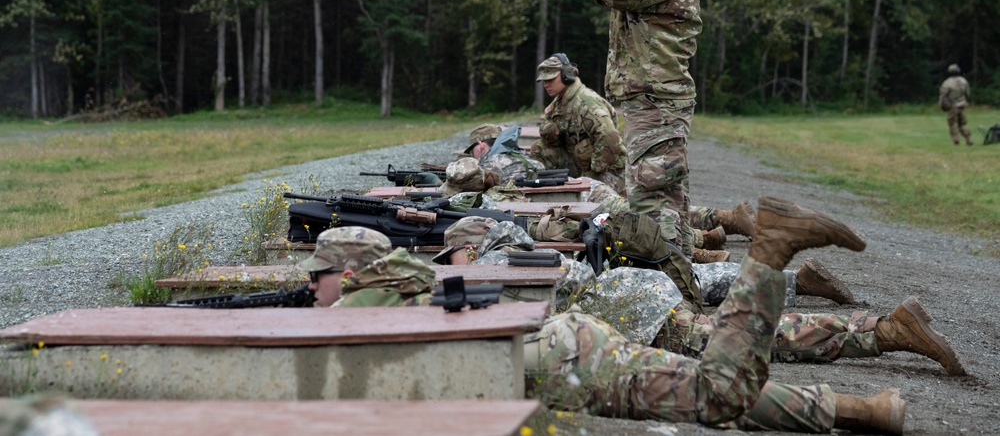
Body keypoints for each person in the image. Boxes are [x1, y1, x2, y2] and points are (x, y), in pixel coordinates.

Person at [317, 202, 907, 433]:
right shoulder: (406, 287)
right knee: (714, 389)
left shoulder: (355, 308)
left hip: (573, 353)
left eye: (317, 276)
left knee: (717, 389)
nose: (310, 289)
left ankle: (771, 259)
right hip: (576, 339)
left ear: (346, 277)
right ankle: (863, 405)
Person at [583, 0, 701, 271]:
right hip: (650, 100)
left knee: (651, 200)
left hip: (657, 101)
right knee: (668, 199)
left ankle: (663, 289)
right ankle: (680, 283)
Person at [530, 53, 627, 194]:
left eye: (550, 79)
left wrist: (592, 175)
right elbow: (547, 130)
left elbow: (610, 137)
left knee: (595, 197)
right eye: (544, 81)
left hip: (609, 170)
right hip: (580, 163)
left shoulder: (585, 102)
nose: (546, 84)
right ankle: (553, 189)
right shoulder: (559, 103)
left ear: (566, 75)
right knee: (539, 148)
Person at [298, 227, 434, 307]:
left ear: (348, 278)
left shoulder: (349, 315)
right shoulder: (411, 292)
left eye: (315, 276)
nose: (311, 286)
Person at [939, 64, 973, 145]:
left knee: (953, 123)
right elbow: (967, 93)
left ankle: (956, 139)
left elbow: (944, 96)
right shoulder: (963, 81)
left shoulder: (947, 83)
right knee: (962, 123)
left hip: (953, 106)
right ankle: (969, 139)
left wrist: (943, 105)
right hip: (962, 105)